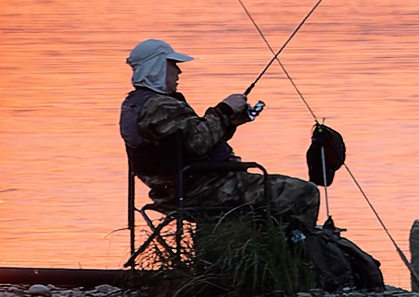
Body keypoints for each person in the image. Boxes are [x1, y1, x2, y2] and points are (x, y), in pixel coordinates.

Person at [119, 37, 319, 227]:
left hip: (177, 190)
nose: (178, 71)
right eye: (173, 65)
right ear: (156, 68)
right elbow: (198, 143)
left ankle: (263, 248)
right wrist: (225, 109)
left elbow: (184, 146)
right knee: (305, 192)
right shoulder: (159, 106)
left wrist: (229, 123)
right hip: (202, 191)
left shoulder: (136, 105)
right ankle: (297, 255)